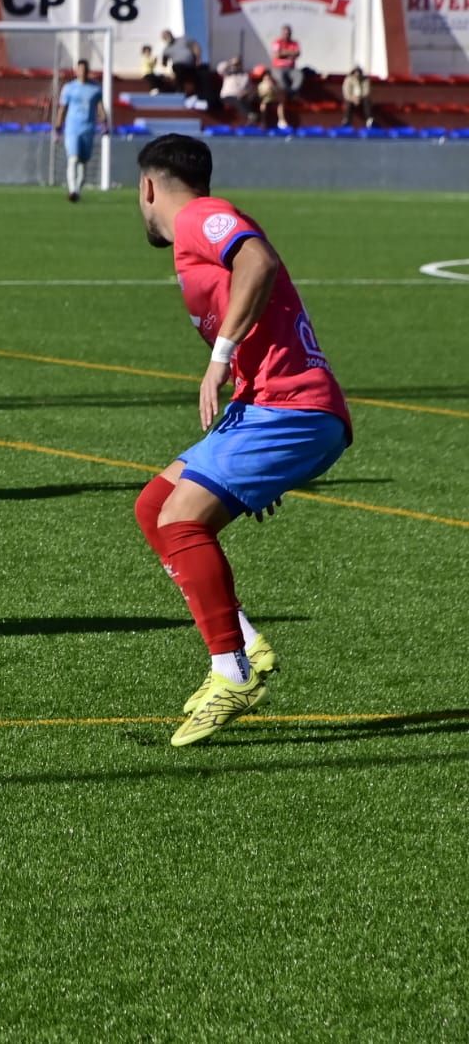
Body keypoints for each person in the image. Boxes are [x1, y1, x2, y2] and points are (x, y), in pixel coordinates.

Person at [131, 134, 352, 747]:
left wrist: (219, 357)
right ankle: (247, 643)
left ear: (148, 187)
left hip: (292, 407)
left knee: (181, 521)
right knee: (155, 506)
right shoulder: (197, 235)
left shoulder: (199, 217)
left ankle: (232, 673)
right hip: (266, 408)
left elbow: (259, 260)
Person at [54, 59, 106, 204]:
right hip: (72, 128)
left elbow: (100, 107)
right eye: (80, 69)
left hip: (88, 128)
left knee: (83, 161)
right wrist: (58, 127)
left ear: (88, 71)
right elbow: (62, 108)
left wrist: (104, 123)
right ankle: (72, 190)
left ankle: (77, 190)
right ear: (76, 71)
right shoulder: (69, 88)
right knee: (73, 158)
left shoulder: (95, 89)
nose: (82, 72)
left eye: (85, 69)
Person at [160, 29, 198, 98]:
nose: (167, 37)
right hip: (178, 67)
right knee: (178, 68)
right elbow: (164, 63)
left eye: (167, 35)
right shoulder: (166, 49)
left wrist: (198, 59)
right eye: (165, 37)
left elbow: (195, 46)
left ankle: (196, 93)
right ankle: (180, 91)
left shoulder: (182, 40)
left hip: (191, 65)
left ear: (171, 34)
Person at [271, 25, 303, 100]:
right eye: (285, 33)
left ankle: (291, 93)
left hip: (291, 68)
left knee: (299, 75)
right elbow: (277, 55)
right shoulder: (277, 42)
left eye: (288, 33)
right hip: (278, 68)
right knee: (281, 78)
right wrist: (291, 53)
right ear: (282, 33)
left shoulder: (294, 43)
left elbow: (297, 53)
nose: (287, 35)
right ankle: (288, 95)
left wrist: (283, 52)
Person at [217, 56, 254, 122]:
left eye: (237, 64)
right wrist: (229, 63)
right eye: (234, 65)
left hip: (241, 96)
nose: (236, 66)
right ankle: (249, 115)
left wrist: (246, 93)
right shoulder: (227, 73)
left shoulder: (245, 76)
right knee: (237, 99)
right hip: (227, 96)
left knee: (242, 99)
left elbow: (250, 88)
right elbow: (220, 69)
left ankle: (248, 119)